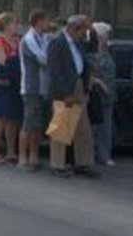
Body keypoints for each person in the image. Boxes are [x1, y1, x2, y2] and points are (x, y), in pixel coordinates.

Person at [47, 15, 100, 179]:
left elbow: (92, 47)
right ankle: (57, 164)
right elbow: (55, 71)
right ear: (73, 28)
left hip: (78, 85)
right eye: (82, 31)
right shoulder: (57, 42)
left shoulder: (78, 42)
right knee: (62, 126)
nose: (84, 35)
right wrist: (65, 94)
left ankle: (84, 163)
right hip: (65, 88)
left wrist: (92, 29)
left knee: (83, 128)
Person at [18, 9, 50, 171]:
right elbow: (43, 59)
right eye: (45, 21)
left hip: (42, 88)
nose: (48, 24)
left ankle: (34, 156)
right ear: (38, 21)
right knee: (29, 123)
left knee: (38, 125)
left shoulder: (44, 38)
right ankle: (22, 157)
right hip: (31, 87)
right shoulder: (28, 40)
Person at [0, 14, 23, 164]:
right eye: (15, 24)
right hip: (3, 84)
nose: (17, 26)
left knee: (13, 119)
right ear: (7, 25)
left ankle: (10, 151)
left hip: (15, 82)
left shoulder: (17, 41)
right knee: (1, 117)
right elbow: (3, 62)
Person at [89, 22, 117, 167]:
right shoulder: (91, 53)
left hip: (109, 96)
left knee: (106, 128)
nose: (108, 38)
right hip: (96, 95)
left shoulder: (108, 52)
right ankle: (92, 154)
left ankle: (105, 155)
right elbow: (89, 74)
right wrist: (99, 83)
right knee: (93, 127)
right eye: (106, 35)